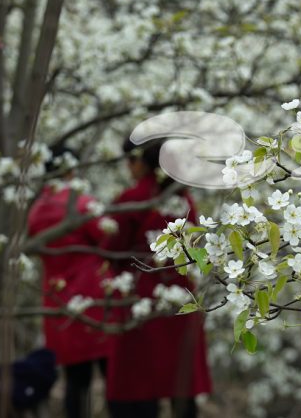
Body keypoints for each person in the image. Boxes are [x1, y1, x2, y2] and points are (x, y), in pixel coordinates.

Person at [103, 138, 212, 418]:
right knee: (180, 381)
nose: (128, 168)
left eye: (130, 160)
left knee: (138, 383)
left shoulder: (132, 199)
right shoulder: (182, 198)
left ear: (140, 161)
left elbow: (113, 250)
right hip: (178, 296)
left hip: (139, 295)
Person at [26, 145, 114, 418]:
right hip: (93, 297)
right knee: (111, 375)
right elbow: (109, 237)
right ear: (71, 169)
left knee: (76, 380)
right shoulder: (83, 204)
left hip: (58, 301)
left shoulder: (36, 209)